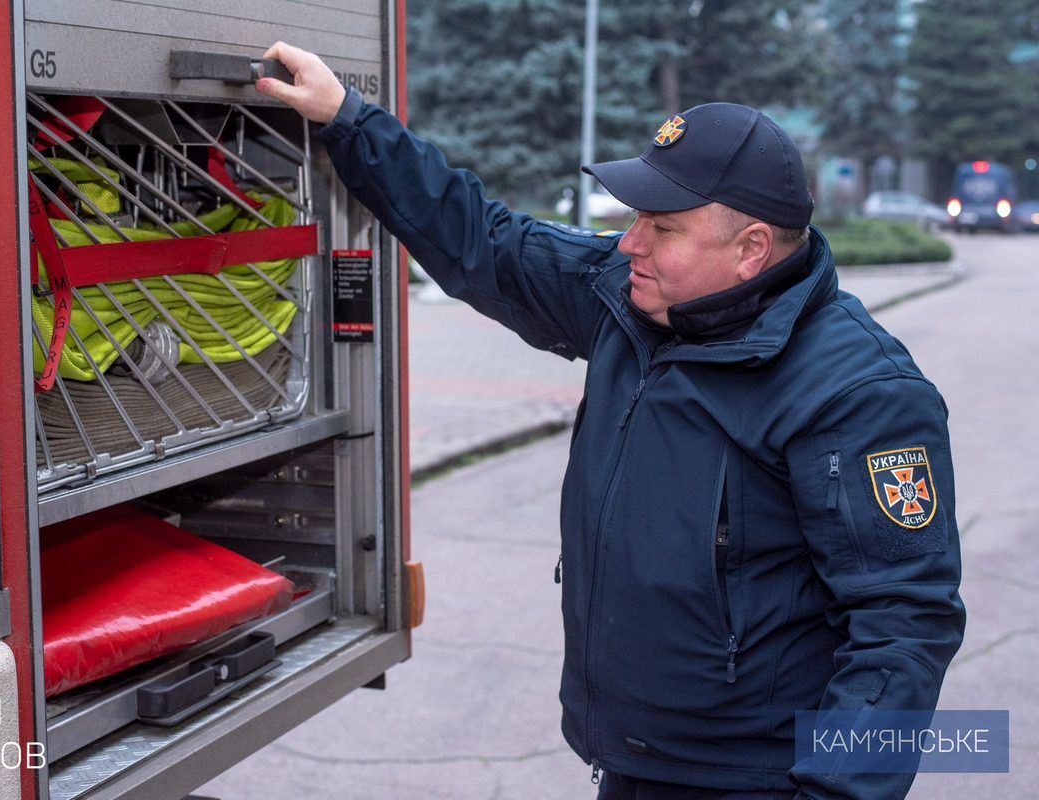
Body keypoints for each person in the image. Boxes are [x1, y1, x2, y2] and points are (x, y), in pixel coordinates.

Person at [255, 42, 966, 800]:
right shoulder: (624, 301)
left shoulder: (858, 392)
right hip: (631, 764)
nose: (630, 242)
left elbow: (903, 629)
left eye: (662, 227)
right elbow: (482, 239)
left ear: (750, 250)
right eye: (635, 218)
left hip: (755, 782)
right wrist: (350, 120)